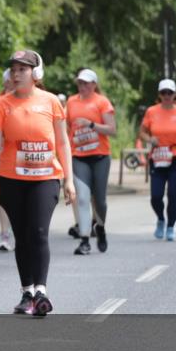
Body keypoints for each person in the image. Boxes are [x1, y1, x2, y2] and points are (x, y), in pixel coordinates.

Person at [0, 50, 74, 317]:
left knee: (38, 232)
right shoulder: (1, 103)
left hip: (46, 178)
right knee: (22, 237)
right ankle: (27, 292)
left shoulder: (50, 102)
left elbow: (62, 142)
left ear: (36, 74)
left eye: (23, 69)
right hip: (11, 178)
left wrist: (69, 179)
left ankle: (41, 292)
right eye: (13, 69)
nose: (16, 73)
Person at [65, 68, 116, 255]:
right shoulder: (71, 102)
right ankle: (84, 241)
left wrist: (91, 125)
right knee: (83, 198)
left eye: (86, 83)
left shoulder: (102, 102)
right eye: (80, 83)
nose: (83, 86)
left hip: (100, 156)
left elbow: (112, 129)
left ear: (94, 85)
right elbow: (67, 127)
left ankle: (100, 228)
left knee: (100, 201)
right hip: (79, 157)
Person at [140, 79, 176, 242]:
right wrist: (150, 140)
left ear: (175, 94)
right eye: (163, 93)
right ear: (159, 95)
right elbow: (142, 132)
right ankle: (160, 219)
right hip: (157, 156)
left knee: (173, 194)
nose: (167, 96)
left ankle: (170, 226)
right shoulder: (151, 111)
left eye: (170, 93)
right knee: (156, 196)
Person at [0, 69, 15, 252]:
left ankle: (20, 231)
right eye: (8, 81)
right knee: (3, 199)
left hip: (24, 159)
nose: (12, 83)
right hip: (3, 157)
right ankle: (5, 236)